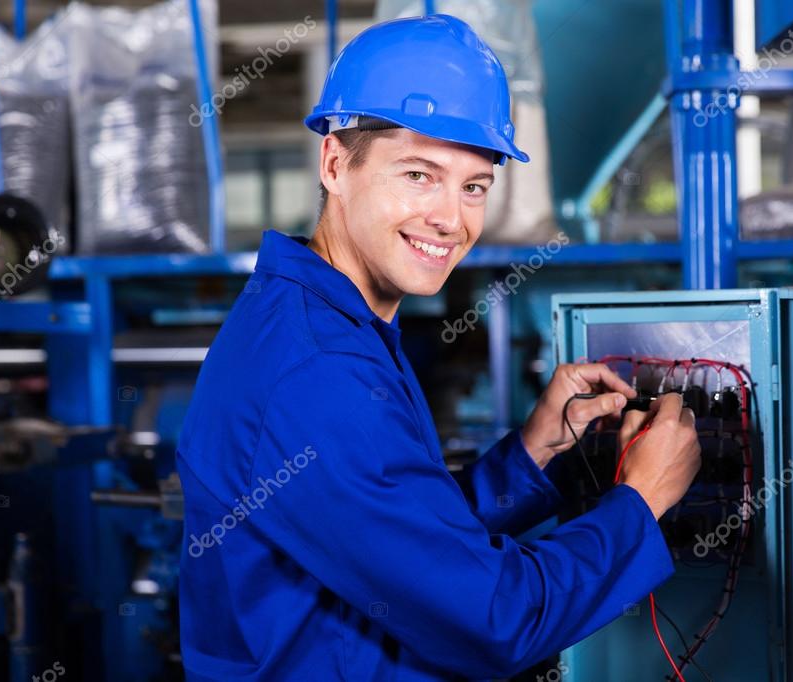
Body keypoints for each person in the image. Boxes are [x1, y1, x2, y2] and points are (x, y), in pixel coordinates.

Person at [176, 14, 701, 681]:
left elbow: (403, 538)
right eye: (419, 175)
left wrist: (534, 451)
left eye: (473, 186)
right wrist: (643, 500)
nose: (450, 220)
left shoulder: (329, 324)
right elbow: (494, 619)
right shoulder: (319, 372)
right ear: (335, 163)